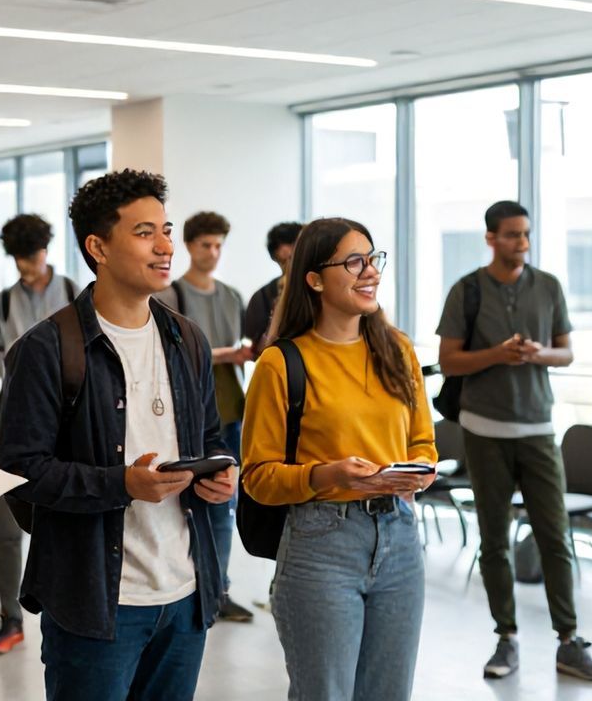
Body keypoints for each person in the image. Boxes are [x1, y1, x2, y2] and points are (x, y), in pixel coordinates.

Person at [0, 169, 236, 701]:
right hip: (96, 604)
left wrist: (219, 472)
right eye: (145, 232)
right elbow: (20, 470)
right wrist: (122, 484)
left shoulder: (186, 339)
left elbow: (211, 439)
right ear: (98, 246)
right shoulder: (47, 348)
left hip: (185, 596)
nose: (166, 245)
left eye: (167, 230)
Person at [242, 217, 437, 701]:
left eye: (373, 259)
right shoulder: (281, 362)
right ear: (313, 278)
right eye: (354, 261)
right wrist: (326, 474)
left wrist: (417, 473)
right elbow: (258, 477)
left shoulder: (399, 350)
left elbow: (424, 444)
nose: (369, 271)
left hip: (400, 538)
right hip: (320, 543)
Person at [437, 200, 592, 682]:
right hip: (483, 431)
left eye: (526, 233)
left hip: (538, 429)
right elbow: (449, 361)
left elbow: (567, 352)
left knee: (555, 537)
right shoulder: (466, 290)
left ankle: (568, 640)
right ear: (490, 238)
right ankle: (505, 637)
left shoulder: (548, 286)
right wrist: (497, 354)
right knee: (494, 540)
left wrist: (537, 354)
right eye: (512, 234)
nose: (522, 242)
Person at [0, 213, 78, 655]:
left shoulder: (76, 294)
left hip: (68, 425)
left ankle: (68, 611)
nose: (26, 267)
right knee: (7, 531)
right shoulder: (0, 304)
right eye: (18, 259)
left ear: (46, 249)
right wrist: (23, 360)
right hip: (12, 427)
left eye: (32, 256)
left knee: (71, 521)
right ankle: (9, 619)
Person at [154, 210, 255, 622]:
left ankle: (220, 587)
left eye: (218, 246)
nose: (212, 253)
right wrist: (223, 354)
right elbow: (170, 357)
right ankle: (190, 584)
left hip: (230, 407)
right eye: (205, 245)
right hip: (188, 413)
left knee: (223, 502)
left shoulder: (232, 296)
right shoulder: (171, 295)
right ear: (190, 247)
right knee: (186, 502)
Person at [245, 221, 304, 357]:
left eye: (295, 258)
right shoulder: (261, 298)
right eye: (284, 261)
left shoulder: (324, 290)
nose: (291, 266)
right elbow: (256, 351)